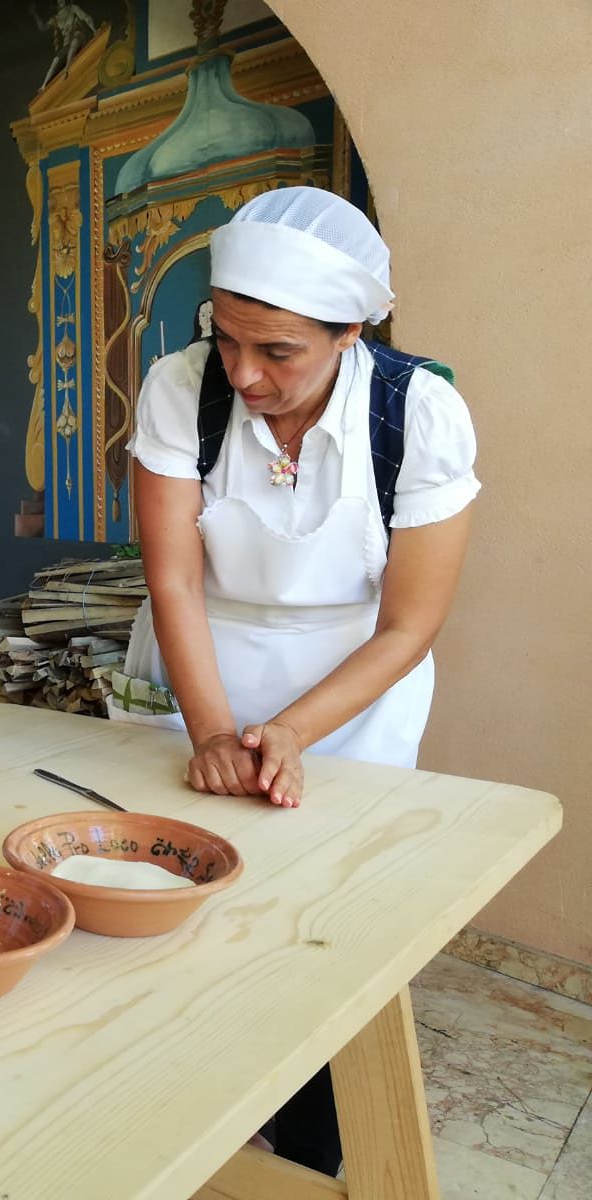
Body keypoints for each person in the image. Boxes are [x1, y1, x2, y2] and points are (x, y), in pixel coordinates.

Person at [114, 186, 479, 1172]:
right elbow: (175, 577)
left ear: (350, 330)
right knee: (180, 905)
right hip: (200, 670)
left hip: (352, 690)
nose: (245, 372)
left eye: (279, 352)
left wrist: (292, 733)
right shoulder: (178, 390)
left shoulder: (417, 412)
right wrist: (213, 731)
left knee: (325, 926)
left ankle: (314, 1141)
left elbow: (410, 622)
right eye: (228, 338)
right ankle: (175, 1120)